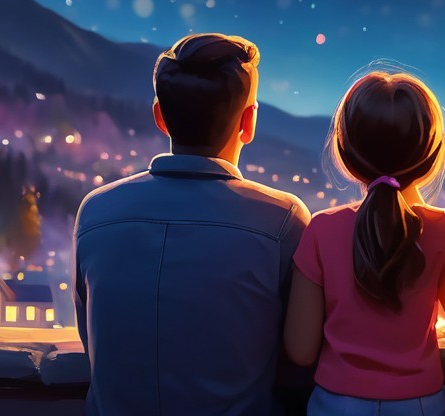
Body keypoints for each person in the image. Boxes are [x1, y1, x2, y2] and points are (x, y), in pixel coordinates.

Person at [74, 33, 310, 416]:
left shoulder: (95, 212)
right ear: (248, 122)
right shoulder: (282, 221)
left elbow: (94, 344)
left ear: (160, 117)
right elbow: (298, 358)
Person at [284, 71, 445, 416]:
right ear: (430, 155)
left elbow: (300, 350)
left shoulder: (322, 229)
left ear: (346, 151)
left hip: (335, 405)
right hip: (422, 404)